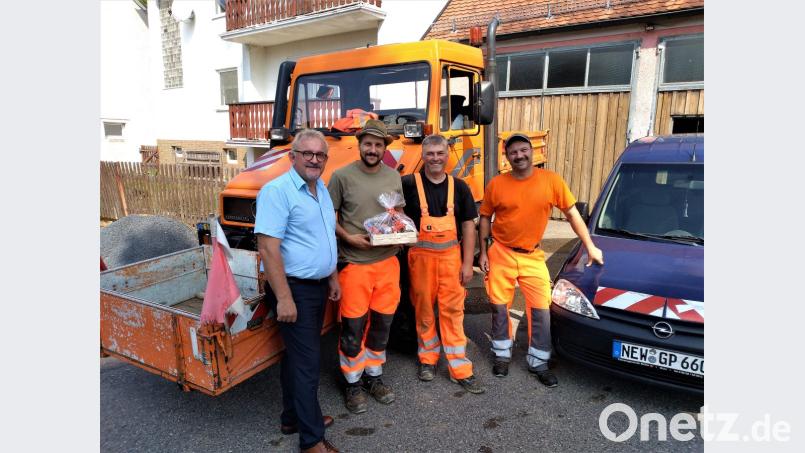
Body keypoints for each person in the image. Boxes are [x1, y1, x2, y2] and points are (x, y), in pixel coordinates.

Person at [478, 133, 604, 388]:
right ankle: (502, 355)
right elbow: (484, 217)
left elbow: (572, 214)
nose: (519, 155)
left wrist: (590, 246)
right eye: (513, 152)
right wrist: (483, 251)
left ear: (532, 152)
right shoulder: (496, 184)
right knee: (499, 306)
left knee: (541, 309)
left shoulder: (551, 181)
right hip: (501, 251)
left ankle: (538, 361)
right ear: (507, 157)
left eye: (523, 150)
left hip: (532, 255)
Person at [255, 129, 340, 453]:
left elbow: (325, 237)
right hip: (294, 289)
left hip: (317, 287)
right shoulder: (277, 192)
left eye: (320, 155)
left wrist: (332, 276)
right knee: (307, 364)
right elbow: (268, 246)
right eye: (308, 153)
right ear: (292, 156)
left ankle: (293, 418)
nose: (314, 160)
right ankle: (312, 440)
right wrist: (286, 298)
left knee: (297, 359)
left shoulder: (320, 190)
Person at [327, 119, 403, 414]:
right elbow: (330, 219)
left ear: (385, 148)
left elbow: (397, 214)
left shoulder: (392, 176)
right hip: (355, 265)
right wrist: (348, 238)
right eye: (368, 144)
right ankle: (352, 383)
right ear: (359, 145)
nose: (373, 149)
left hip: (388, 263)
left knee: (382, 326)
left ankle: (374, 376)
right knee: (352, 328)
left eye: (378, 145)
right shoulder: (341, 176)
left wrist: (402, 231)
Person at [401, 134, 485, 394]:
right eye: (430, 153)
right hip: (420, 262)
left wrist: (467, 264)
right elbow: (394, 216)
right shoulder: (407, 184)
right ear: (422, 156)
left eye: (440, 153)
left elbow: (469, 226)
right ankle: (428, 359)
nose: (435, 158)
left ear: (447, 154)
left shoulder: (459, 187)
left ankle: (460, 368)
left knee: (453, 313)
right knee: (424, 311)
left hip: (451, 261)